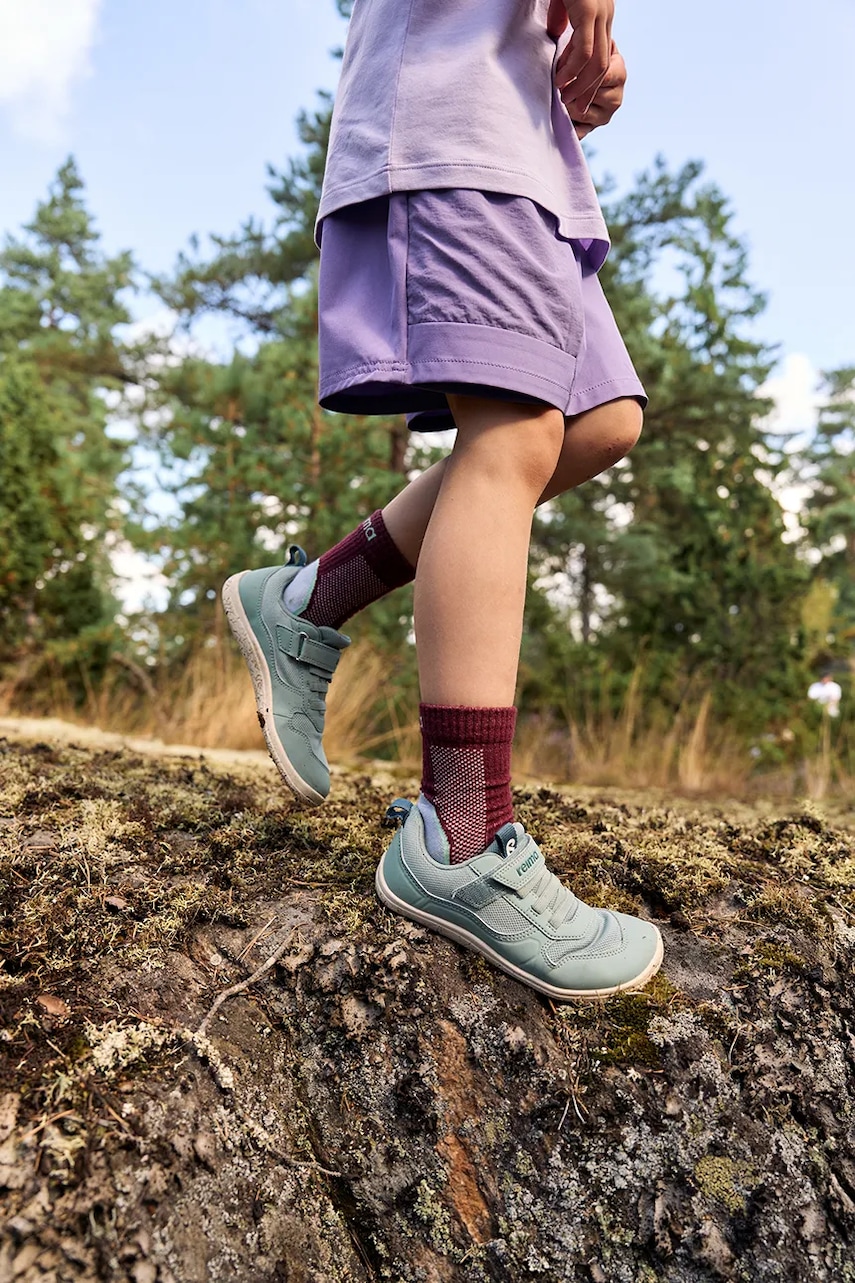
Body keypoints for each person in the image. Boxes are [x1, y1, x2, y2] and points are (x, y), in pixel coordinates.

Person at [222, 0, 663, 1001]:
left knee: (598, 421)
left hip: (528, 147)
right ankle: (461, 833)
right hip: (450, 123)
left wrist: (572, 61)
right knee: (513, 432)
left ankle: (309, 601)